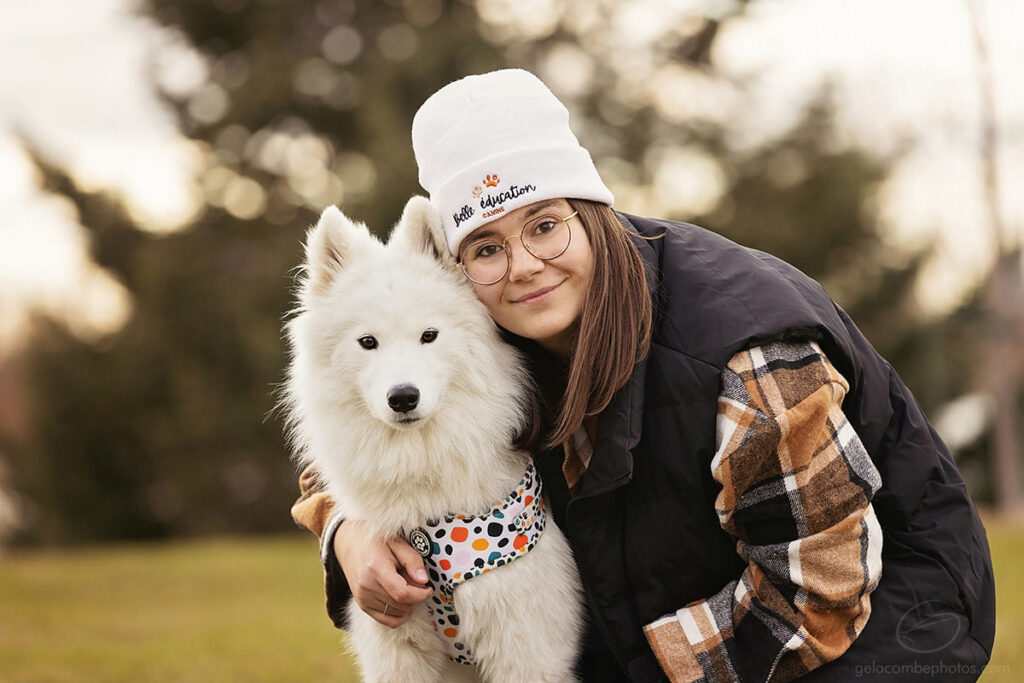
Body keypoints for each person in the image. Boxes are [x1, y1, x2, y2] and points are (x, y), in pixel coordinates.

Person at [291, 69, 995, 682]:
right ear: (459, 264)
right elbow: (379, 434)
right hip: (674, 614)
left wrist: (633, 667)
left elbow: (820, 593)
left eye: (543, 225)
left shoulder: (748, 357)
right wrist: (346, 531)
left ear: (593, 211)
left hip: (882, 625)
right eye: (485, 244)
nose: (524, 266)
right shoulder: (487, 322)